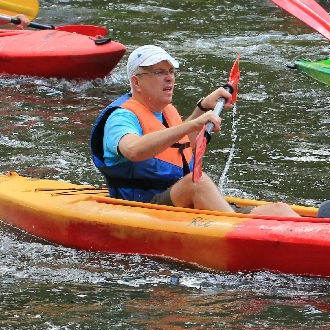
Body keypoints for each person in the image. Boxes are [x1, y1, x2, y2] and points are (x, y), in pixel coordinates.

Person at [90, 45, 298, 216]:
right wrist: (192, 124)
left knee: (280, 210)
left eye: (171, 71)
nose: (169, 78)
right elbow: (133, 150)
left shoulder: (165, 111)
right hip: (142, 208)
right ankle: (240, 231)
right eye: (160, 72)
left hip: (178, 201)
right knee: (196, 183)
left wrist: (203, 107)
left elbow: (184, 144)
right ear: (137, 81)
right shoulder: (120, 117)